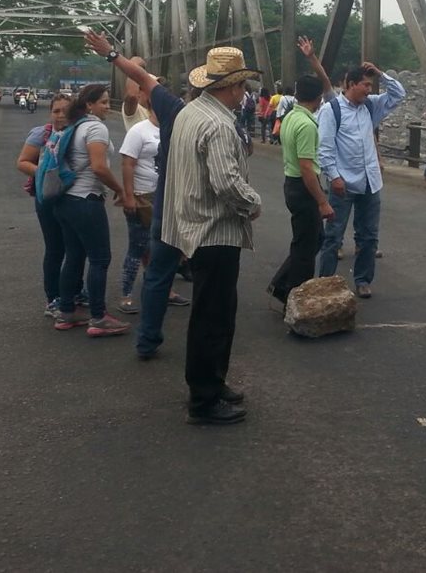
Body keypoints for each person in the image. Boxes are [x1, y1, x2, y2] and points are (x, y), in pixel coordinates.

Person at [163, 46, 263, 425]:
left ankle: (212, 383)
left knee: (212, 312)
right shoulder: (220, 125)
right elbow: (227, 184)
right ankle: (204, 398)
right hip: (214, 230)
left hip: (191, 224)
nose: (244, 93)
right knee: (214, 316)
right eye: (242, 86)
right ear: (234, 87)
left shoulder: (191, 112)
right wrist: (252, 202)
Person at [84, 32, 189, 361]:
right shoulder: (137, 115)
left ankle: (151, 322)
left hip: (164, 197)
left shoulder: (172, 114)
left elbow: (142, 80)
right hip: (153, 198)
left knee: (157, 260)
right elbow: (135, 84)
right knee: (143, 251)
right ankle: (132, 298)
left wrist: (119, 58)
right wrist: (121, 58)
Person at [317, 61, 406, 298]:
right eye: (365, 85)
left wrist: (380, 73)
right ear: (350, 84)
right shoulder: (332, 110)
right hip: (343, 184)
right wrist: (334, 177)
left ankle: (363, 280)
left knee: (369, 236)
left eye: (371, 85)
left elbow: (399, 94)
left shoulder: (371, 106)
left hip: (370, 183)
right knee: (333, 236)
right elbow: (324, 148)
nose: (369, 90)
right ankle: (324, 283)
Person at [50, 84, 130, 337]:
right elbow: (99, 167)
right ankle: (98, 317)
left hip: (65, 201)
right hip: (86, 199)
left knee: (74, 255)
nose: (107, 106)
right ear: (89, 105)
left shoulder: (72, 127)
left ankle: (66, 311)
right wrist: (120, 189)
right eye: (104, 102)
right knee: (100, 258)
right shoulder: (95, 127)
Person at [267, 74, 336, 304]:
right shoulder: (307, 125)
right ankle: (295, 297)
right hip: (303, 186)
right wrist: (322, 201)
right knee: (306, 248)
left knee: (312, 239)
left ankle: (281, 284)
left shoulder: (290, 118)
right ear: (318, 99)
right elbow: (307, 167)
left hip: (292, 183)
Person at [117, 102, 189, 314]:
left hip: (166, 195)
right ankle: (126, 295)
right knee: (138, 247)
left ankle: (164, 291)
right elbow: (127, 164)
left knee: (163, 247)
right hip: (143, 195)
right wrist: (129, 196)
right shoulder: (138, 131)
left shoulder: (173, 130)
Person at [16, 94, 83, 316]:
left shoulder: (79, 132)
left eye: (66, 110)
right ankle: (53, 297)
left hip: (74, 199)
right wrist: (48, 172)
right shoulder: (41, 134)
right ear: (50, 113)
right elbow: (23, 162)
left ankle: (74, 291)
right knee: (56, 248)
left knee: (77, 247)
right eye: (56, 111)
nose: (61, 115)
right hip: (49, 198)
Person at [121, 55, 151, 131]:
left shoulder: (159, 110)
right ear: (140, 92)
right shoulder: (136, 110)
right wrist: (134, 65)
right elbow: (132, 94)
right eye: (147, 88)